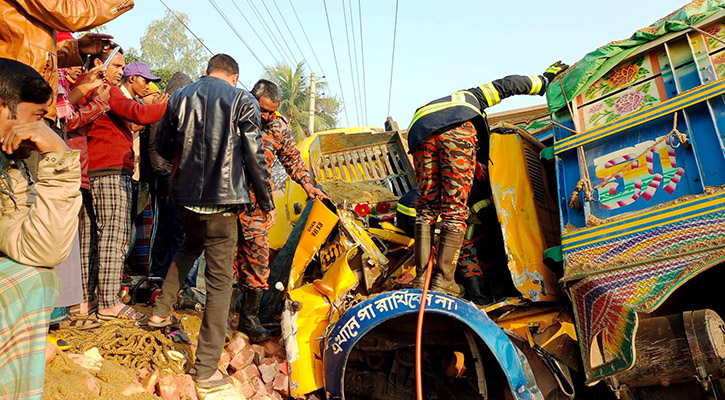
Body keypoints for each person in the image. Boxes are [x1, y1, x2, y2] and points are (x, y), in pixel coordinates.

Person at [150, 54, 274, 395]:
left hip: (185, 197)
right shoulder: (240, 100)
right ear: (234, 77)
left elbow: (162, 147)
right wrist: (265, 202)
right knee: (219, 284)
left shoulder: (179, 95)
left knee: (188, 246)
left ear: (207, 71)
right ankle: (205, 369)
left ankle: (160, 311)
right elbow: (254, 156)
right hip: (223, 202)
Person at [407, 61, 568, 295]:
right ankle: (442, 282)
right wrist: (544, 81)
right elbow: (507, 85)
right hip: (455, 127)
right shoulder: (470, 99)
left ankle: (422, 280)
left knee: (427, 210)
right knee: (453, 209)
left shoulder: (442, 104)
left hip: (418, 132)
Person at [0, 58, 82, 399]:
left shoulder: (9, 166)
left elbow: (39, 249)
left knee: (38, 278)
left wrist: (59, 156)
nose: (43, 129)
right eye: (37, 118)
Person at [79, 46, 168, 321]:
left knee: (92, 238)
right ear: (99, 64)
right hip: (110, 168)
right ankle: (108, 302)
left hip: (96, 168)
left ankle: (86, 300)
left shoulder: (87, 86)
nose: (121, 71)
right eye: (117, 65)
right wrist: (164, 104)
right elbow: (137, 113)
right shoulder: (105, 87)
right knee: (113, 235)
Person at [235, 79, 325, 342]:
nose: (266, 116)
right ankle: (222, 313)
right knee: (226, 261)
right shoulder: (234, 117)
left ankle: (248, 320)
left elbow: (292, 159)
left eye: (271, 112)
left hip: (257, 205)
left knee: (258, 260)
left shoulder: (278, 126)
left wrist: (307, 185)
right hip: (228, 202)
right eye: (262, 110)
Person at [0, 0, 134, 121]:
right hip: (17, 98)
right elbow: (67, 14)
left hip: (30, 100)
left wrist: (77, 49)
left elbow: (37, 50)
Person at [147, 72, 192, 279]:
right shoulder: (165, 111)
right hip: (166, 181)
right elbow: (154, 149)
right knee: (163, 229)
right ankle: (158, 273)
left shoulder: (183, 114)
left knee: (177, 231)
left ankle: (173, 277)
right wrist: (164, 179)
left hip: (179, 182)